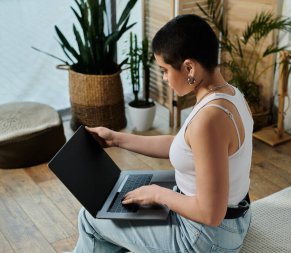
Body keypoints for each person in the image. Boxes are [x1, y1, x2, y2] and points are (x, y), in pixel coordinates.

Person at [71, 14, 253, 253]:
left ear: (189, 67)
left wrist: (158, 194)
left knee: (90, 218)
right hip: (235, 219)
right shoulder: (231, 95)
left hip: (205, 238)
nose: (164, 78)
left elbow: (211, 214)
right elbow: (183, 145)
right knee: (121, 202)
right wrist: (115, 138)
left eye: (165, 70)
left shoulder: (208, 121)